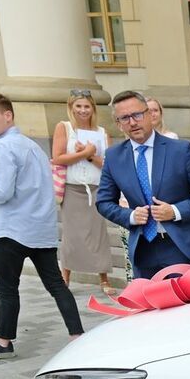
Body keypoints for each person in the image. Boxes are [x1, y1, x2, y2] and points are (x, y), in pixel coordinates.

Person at [0, 93, 84, 360]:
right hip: (40, 228)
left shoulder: (4, 147)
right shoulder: (31, 145)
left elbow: (2, 192)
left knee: (6, 288)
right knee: (56, 285)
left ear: (8, 115)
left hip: (13, 229)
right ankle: (77, 336)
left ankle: (3, 343)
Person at [95, 90, 190, 280]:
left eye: (137, 115)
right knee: (150, 308)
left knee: (183, 307)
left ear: (149, 115)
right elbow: (103, 202)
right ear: (118, 124)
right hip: (142, 250)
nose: (133, 122)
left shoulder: (180, 150)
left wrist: (175, 211)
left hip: (179, 246)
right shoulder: (114, 157)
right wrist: (130, 216)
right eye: (125, 118)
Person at [52, 89, 115, 296]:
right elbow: (58, 157)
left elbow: (109, 165)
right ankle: (65, 276)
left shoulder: (102, 132)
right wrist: (82, 153)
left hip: (96, 188)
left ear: (93, 109)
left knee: (98, 234)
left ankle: (103, 277)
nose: (83, 110)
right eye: (78, 106)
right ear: (71, 107)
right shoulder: (65, 127)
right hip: (72, 188)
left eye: (86, 106)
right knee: (71, 234)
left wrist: (90, 156)